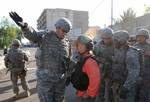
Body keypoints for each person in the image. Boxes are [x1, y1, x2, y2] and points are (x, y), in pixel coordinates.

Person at [9, 12, 72, 102]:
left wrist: (68, 75)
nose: (64, 34)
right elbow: (33, 35)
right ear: (57, 27)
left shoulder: (67, 43)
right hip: (46, 81)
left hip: (59, 81)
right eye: (63, 31)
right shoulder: (45, 36)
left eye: (66, 32)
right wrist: (25, 27)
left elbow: (68, 60)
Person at [112, 30, 140, 102]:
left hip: (126, 87)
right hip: (117, 84)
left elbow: (134, 73)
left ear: (121, 40)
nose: (113, 42)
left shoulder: (130, 54)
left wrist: (126, 88)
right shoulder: (118, 50)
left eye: (115, 40)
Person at [75, 35, 101, 102]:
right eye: (78, 45)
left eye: (82, 45)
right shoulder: (82, 59)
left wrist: (88, 94)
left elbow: (95, 81)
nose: (79, 47)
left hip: (87, 96)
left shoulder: (90, 62)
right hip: (82, 92)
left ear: (88, 47)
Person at [93, 27, 114, 102]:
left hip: (113, 71)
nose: (106, 40)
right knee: (100, 90)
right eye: (104, 38)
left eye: (108, 38)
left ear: (112, 37)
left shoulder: (116, 45)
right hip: (101, 70)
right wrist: (100, 60)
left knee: (112, 91)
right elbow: (94, 56)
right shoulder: (98, 46)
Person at [134, 29, 150, 102]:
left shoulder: (149, 46)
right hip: (136, 71)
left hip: (147, 72)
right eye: (138, 36)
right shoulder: (134, 46)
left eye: (142, 37)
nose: (139, 38)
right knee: (135, 90)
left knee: (145, 91)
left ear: (146, 37)